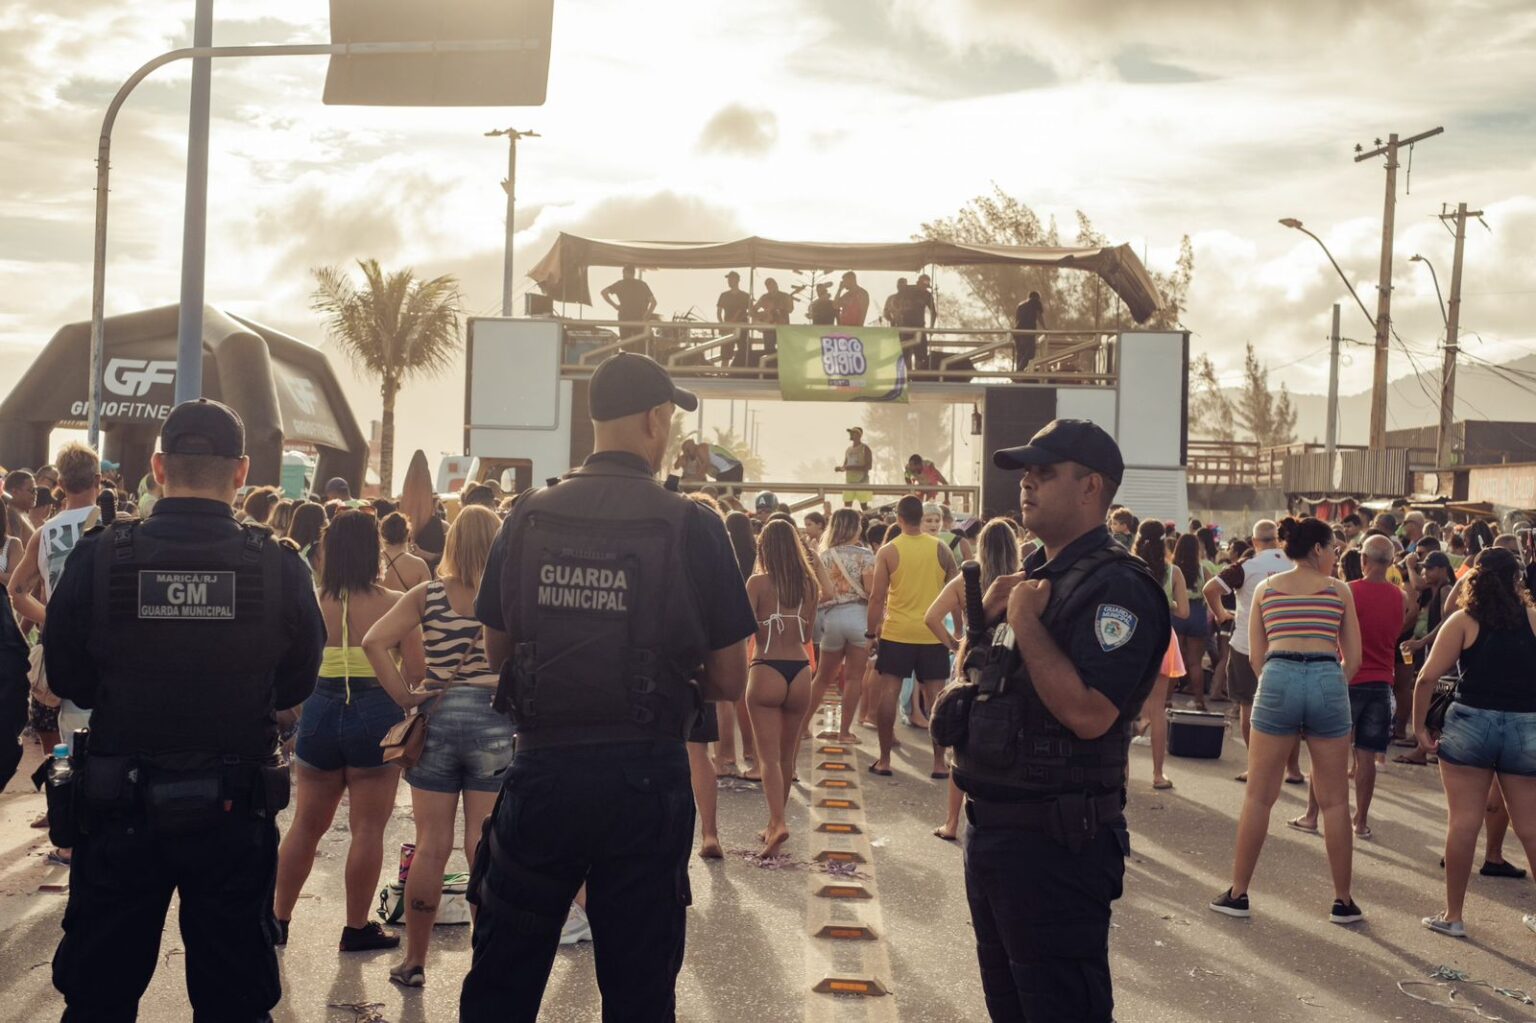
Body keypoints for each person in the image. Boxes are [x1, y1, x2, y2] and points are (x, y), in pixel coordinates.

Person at [460, 352, 753, 1021]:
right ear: (655, 419)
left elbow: (497, 648)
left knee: (502, 982)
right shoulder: (694, 524)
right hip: (646, 779)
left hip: (543, 770)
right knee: (639, 991)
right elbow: (731, 677)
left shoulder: (527, 513)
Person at [43, 399, 325, 1019]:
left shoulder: (101, 555)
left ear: (159, 467)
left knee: (98, 998)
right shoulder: (275, 564)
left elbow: (67, 678)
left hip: (120, 808)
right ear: (242, 471)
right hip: (233, 811)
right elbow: (296, 683)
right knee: (235, 1001)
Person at [944, 419, 1166, 1022]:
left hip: (1057, 845)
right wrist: (984, 625)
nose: (1027, 484)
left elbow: (1090, 714)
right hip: (995, 831)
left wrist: (1025, 620)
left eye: (1044, 473)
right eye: (1025, 474)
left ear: (1091, 486)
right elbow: (980, 683)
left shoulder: (1118, 587)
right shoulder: (1034, 576)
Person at [360, 505, 509, 987]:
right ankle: (485, 961)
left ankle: (415, 962)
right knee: (483, 844)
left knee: (430, 844)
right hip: (494, 719)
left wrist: (405, 697)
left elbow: (373, 641)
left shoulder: (428, 594)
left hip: (438, 718)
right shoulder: (507, 595)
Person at [273, 509, 427, 952]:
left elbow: (287, 665)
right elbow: (416, 670)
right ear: (372, 550)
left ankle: (278, 921)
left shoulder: (311, 600)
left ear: (329, 551)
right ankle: (356, 928)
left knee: (305, 826)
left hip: (319, 712)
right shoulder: (395, 602)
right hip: (377, 715)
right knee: (368, 829)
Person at [1210, 517, 1364, 925]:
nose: (1335, 557)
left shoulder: (1266, 589)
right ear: (1318, 549)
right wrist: (1327, 680)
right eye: (1333, 549)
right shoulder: (1339, 590)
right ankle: (1343, 901)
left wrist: (1281, 679)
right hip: (1327, 676)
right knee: (1334, 800)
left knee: (1259, 796)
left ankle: (1238, 893)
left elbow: (1256, 657)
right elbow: (1354, 658)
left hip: (1278, 674)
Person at [1411, 546, 1536, 939]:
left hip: (1470, 723)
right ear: (1516, 580)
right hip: (1525, 725)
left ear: (1474, 579)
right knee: (1530, 826)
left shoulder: (1464, 621)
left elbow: (1427, 678)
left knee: (1463, 823)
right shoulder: (1533, 618)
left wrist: (1419, 728)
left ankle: (1453, 916)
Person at [1291, 534, 1411, 839]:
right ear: (1391, 562)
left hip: (1345, 676)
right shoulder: (1400, 597)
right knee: (1366, 755)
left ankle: (1312, 815)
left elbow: (1331, 631)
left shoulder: (1348, 590)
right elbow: (1395, 632)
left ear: (1363, 560)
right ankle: (1360, 821)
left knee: (1327, 751)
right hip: (1381, 681)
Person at [925, 517, 1020, 842]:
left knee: (963, 746)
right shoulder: (1022, 580)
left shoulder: (968, 581)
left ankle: (952, 823)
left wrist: (955, 644)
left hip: (972, 666)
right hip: (1012, 666)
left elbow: (931, 617)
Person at [1203, 520, 1304, 784]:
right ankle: (1293, 768)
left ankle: (1256, 766)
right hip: (1289, 645)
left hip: (1247, 645)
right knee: (1289, 709)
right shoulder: (1296, 564)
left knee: (1248, 706)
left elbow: (1210, 589)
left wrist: (1221, 614)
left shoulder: (1246, 567)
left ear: (1255, 542)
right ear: (1279, 540)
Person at [866, 494, 958, 777]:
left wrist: (871, 632)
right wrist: (959, 630)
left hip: (897, 632)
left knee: (889, 693)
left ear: (899, 519)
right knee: (935, 698)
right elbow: (957, 592)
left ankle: (884, 760)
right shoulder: (941, 548)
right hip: (933, 632)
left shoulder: (888, 551)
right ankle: (939, 763)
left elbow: (877, 597)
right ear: (921, 517)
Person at [745, 519, 819, 857]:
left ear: (764, 548)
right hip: (800, 671)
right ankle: (775, 821)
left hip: (766, 667)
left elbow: (743, 629)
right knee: (788, 756)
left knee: (768, 758)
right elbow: (807, 635)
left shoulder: (758, 582)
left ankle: (777, 822)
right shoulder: (809, 585)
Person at [803, 509, 875, 747]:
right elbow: (871, 592)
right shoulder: (866, 556)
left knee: (823, 677)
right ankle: (844, 732)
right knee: (853, 678)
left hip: (832, 619)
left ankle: (803, 727)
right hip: (859, 619)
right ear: (855, 528)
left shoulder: (824, 556)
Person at [1133, 520, 1189, 790]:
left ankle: (1121, 774)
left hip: (1133, 638)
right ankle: (1157, 774)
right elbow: (1184, 613)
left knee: (1123, 707)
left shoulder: (1130, 566)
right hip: (1163, 637)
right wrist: (1168, 602)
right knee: (1158, 710)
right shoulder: (1173, 571)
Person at [1173, 532, 1213, 712]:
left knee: (1174, 659)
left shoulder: (1173, 570)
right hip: (1197, 613)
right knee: (1195, 662)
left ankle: (1167, 700)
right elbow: (1212, 591)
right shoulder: (1203, 570)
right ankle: (1199, 702)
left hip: (1177, 612)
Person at [380, 511, 432, 592]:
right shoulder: (419, 565)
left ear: (382, 534)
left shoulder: (371, 561)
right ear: (407, 535)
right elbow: (429, 596)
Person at [716, 271, 752, 367]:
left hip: (742, 328)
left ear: (737, 280)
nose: (729, 281)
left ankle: (741, 372)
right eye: (728, 279)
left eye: (731, 279)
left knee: (744, 352)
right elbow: (719, 312)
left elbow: (752, 311)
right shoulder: (724, 295)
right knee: (725, 355)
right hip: (728, 327)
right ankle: (723, 373)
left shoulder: (745, 296)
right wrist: (723, 324)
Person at [835, 426, 874, 510]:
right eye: (850, 433)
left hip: (862, 481)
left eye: (853, 433)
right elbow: (845, 466)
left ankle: (868, 516)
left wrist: (852, 468)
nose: (851, 434)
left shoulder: (865, 448)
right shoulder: (848, 450)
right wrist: (840, 469)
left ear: (859, 435)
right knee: (847, 507)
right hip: (849, 482)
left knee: (864, 507)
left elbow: (869, 466)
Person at [1013, 290, 1046, 372]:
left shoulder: (1020, 305)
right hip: (1028, 331)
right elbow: (1039, 316)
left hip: (1017, 332)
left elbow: (1016, 320)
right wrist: (1045, 328)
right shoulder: (1036, 302)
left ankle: (1018, 373)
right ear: (1037, 297)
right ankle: (1019, 370)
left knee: (1021, 353)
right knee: (1030, 352)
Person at [4, 468, 37, 545]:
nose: (35, 493)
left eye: (36, 490)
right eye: (32, 490)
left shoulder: (21, 513)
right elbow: (13, 547)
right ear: (14, 492)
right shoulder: (11, 514)